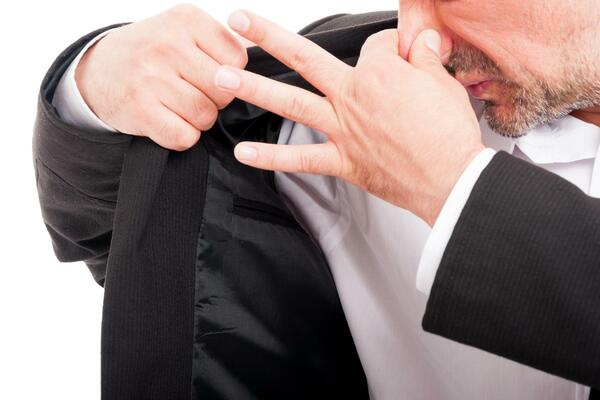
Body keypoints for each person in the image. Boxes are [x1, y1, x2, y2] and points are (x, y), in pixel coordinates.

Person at [33, 2, 600, 400]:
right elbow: (128, 238)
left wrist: (453, 185)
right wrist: (93, 87)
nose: (416, 36)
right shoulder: (353, 96)